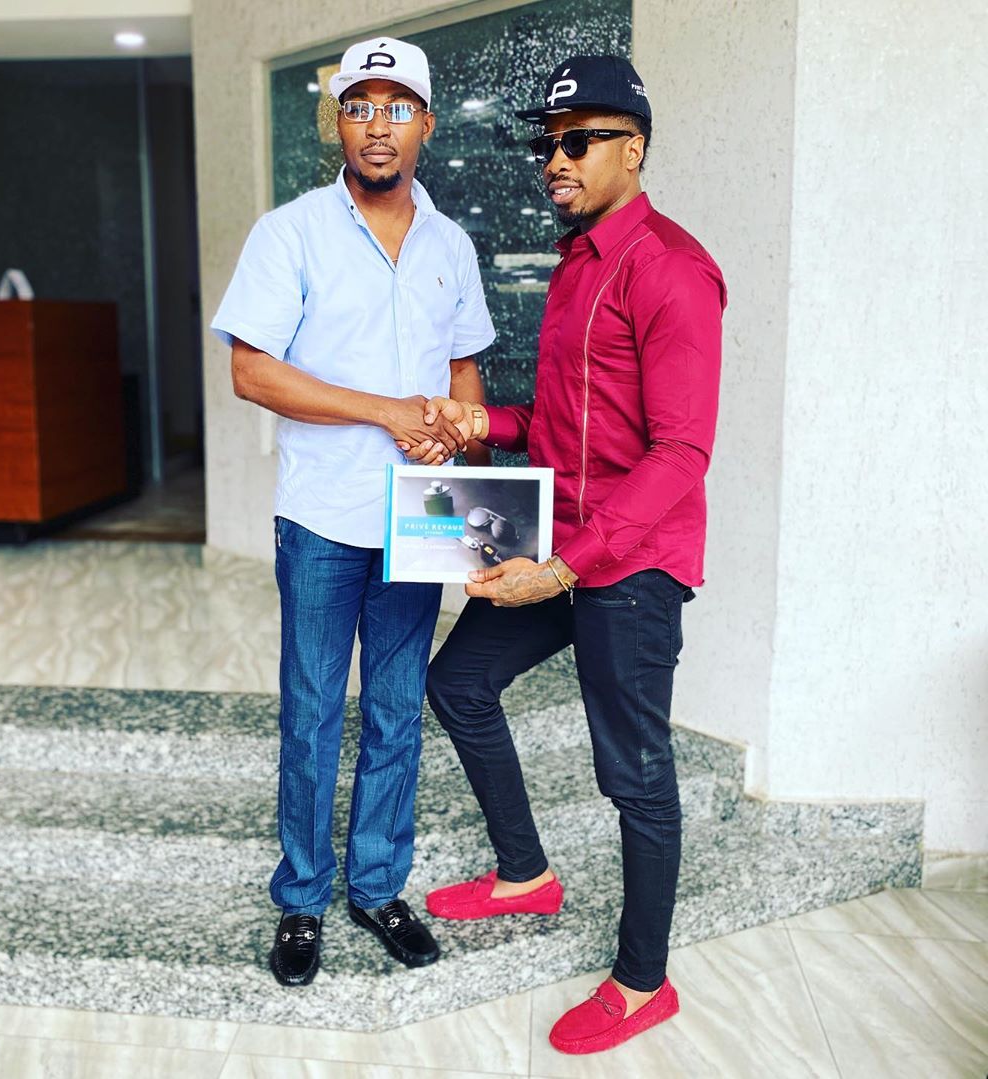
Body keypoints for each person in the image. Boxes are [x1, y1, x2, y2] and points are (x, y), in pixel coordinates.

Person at [414, 55, 726, 1054]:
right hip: (564, 538)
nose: (557, 158)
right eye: (548, 142)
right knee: (458, 682)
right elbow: (564, 422)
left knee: (633, 772)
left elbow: (681, 452)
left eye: (579, 139)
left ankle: (642, 982)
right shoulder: (578, 261)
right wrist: (484, 421)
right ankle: (525, 873)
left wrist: (565, 566)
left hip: (630, 561)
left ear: (633, 149)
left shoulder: (671, 267)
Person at [210, 34, 494, 988]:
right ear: (338, 122)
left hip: (424, 512)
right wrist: (385, 410)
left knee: (398, 709)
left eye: (397, 107)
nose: (379, 125)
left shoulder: (452, 245)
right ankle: (301, 897)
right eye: (361, 106)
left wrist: (462, 447)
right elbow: (252, 372)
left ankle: (376, 886)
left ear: (426, 124)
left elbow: (463, 372)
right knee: (311, 713)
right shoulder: (289, 232)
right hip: (322, 516)